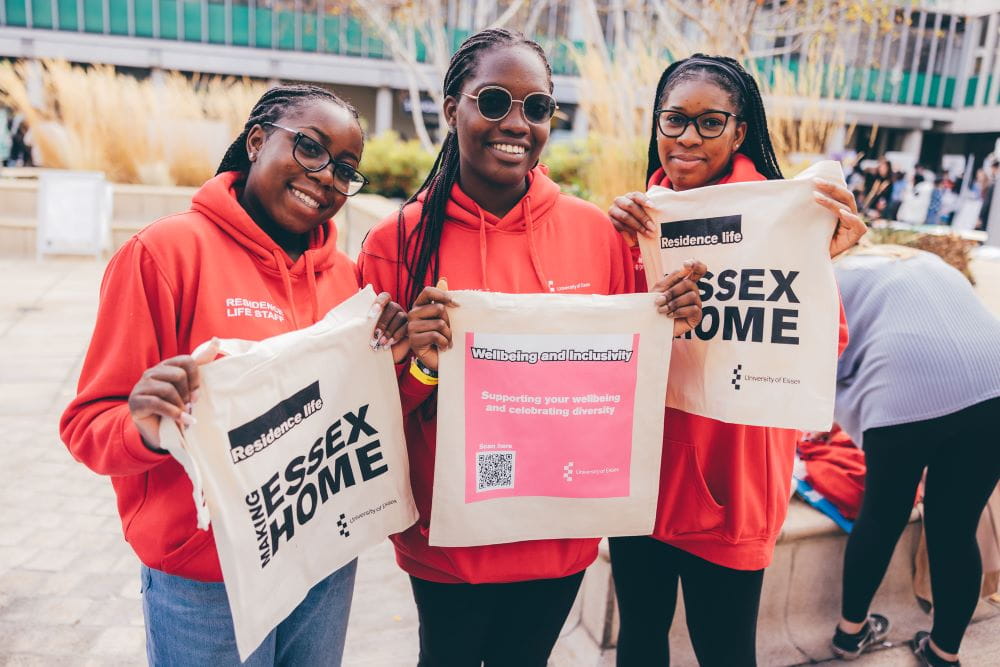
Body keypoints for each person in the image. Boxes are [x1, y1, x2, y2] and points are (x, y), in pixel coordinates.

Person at [357, 29, 705, 667]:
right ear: (450, 107)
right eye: (492, 102)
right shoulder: (395, 243)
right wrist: (423, 370)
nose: (515, 123)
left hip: (558, 534)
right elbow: (368, 410)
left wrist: (675, 318)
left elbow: (633, 376)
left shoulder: (597, 234)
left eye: (536, 107)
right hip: (448, 540)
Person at [60, 84, 409, 665]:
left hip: (323, 560)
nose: (327, 175)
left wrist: (399, 363)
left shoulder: (346, 280)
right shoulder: (165, 253)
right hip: (206, 580)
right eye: (310, 149)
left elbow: (352, 415)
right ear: (255, 141)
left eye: (346, 168)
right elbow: (88, 426)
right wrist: (146, 427)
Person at [605, 54, 865, 666]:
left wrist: (816, 265)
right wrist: (623, 258)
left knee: (724, 650)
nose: (688, 137)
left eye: (709, 121)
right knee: (638, 639)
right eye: (674, 120)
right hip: (642, 475)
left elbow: (825, 348)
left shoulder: (785, 217)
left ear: (740, 130)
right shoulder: (638, 219)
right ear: (657, 127)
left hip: (732, 479)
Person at [829, 243, 1000, 666]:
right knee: (957, 526)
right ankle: (944, 651)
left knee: (883, 514)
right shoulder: (917, 256)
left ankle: (849, 636)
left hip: (904, 384)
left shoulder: (825, 277)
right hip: (993, 382)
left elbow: (823, 367)